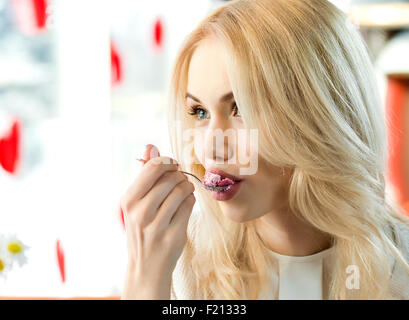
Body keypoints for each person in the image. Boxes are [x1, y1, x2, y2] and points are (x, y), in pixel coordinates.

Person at [121, 0, 409, 299]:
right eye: (199, 111)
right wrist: (144, 279)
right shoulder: (181, 267)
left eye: (241, 108)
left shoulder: (400, 268)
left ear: (321, 115)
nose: (211, 148)